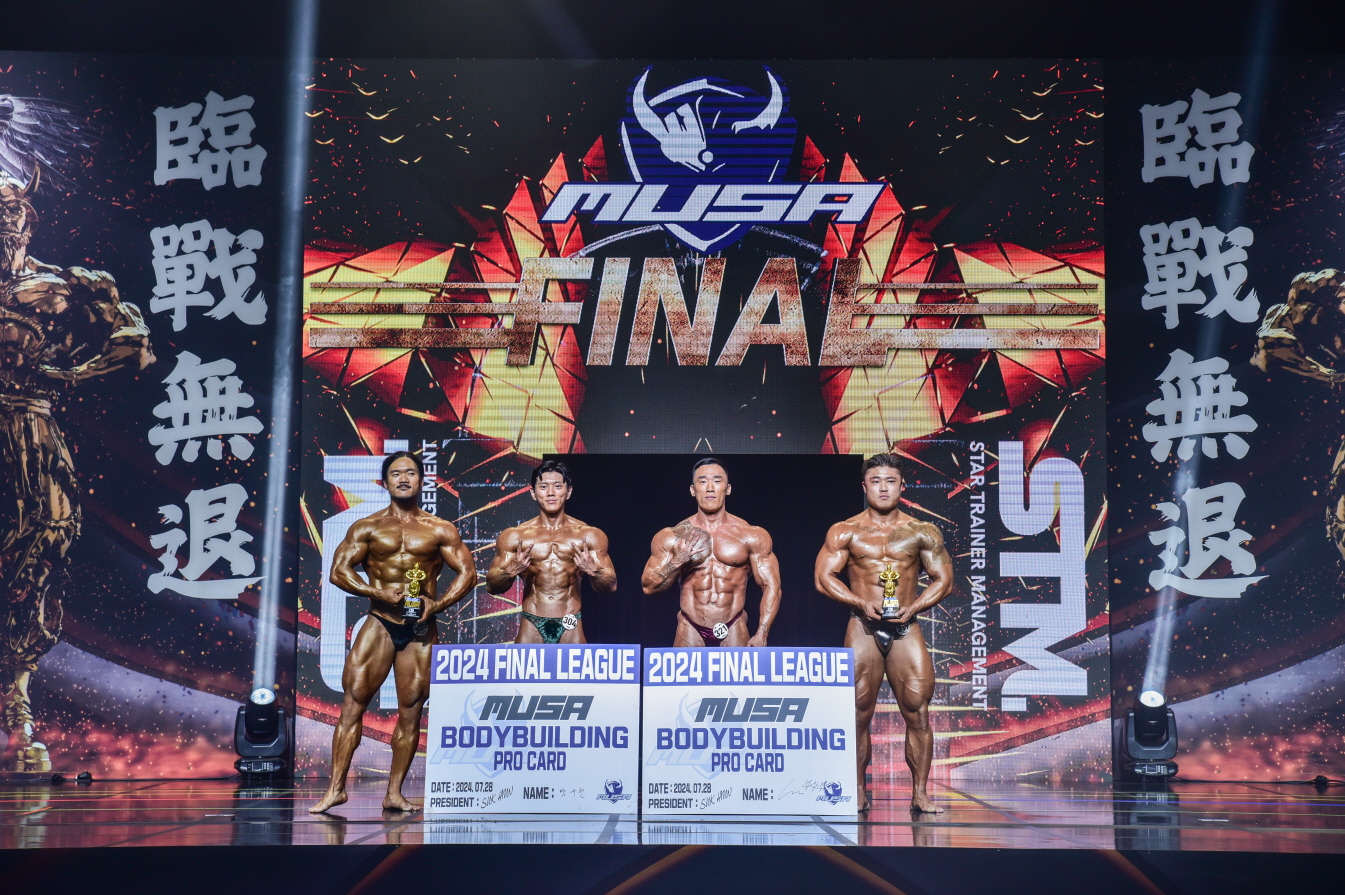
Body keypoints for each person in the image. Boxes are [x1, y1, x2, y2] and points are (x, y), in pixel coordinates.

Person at [0, 168, 154, 772]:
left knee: (44, 544)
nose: (4, 221)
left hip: (31, 429)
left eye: (12, 210)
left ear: (28, 219)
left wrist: (73, 374)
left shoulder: (62, 286)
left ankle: (16, 704)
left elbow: (136, 339)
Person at [311, 451, 476, 814]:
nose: (403, 478)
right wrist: (377, 592)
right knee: (353, 704)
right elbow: (338, 571)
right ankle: (335, 790)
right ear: (385, 482)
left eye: (411, 473)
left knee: (411, 710)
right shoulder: (367, 527)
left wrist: (438, 604)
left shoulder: (440, 529)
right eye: (396, 473)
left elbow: (468, 573)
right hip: (379, 622)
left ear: (422, 481)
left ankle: (395, 793)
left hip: (420, 628)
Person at [814, 453, 953, 813]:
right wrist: (859, 602)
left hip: (906, 627)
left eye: (890, 481)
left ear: (902, 486)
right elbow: (823, 578)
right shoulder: (845, 530)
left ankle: (920, 794)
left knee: (918, 712)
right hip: (862, 626)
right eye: (876, 481)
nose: (883, 488)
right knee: (857, 712)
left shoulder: (922, 531)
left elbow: (944, 579)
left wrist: (915, 607)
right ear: (865, 486)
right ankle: (858, 791)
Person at [642, 458, 780, 647]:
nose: (709, 488)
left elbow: (771, 586)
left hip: (733, 624)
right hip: (690, 626)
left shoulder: (751, 535)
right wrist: (676, 562)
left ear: (728, 489)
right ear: (693, 490)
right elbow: (648, 587)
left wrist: (762, 633)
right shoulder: (672, 536)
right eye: (702, 481)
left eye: (716, 481)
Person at [486, 460, 617, 643]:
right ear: (533, 492)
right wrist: (509, 572)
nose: (550, 493)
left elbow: (610, 586)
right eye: (543, 487)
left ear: (568, 492)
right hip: (531, 622)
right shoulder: (515, 536)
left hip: (570, 622)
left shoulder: (589, 535)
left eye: (557, 486)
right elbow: (492, 586)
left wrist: (594, 571)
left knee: (575, 663)